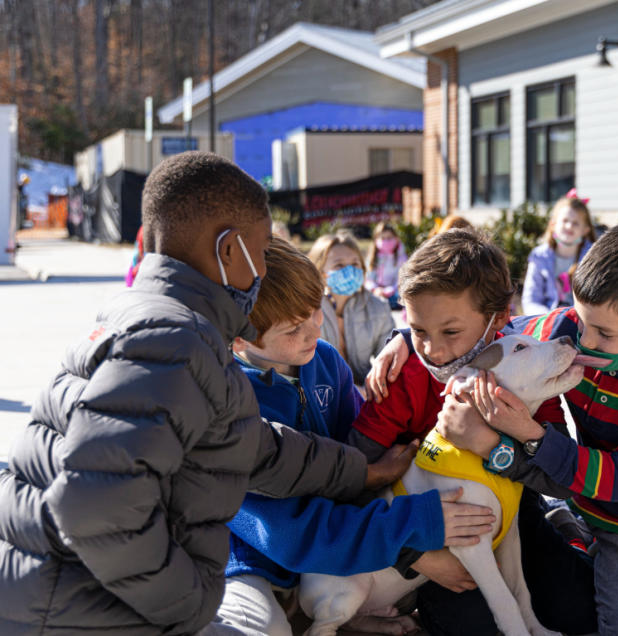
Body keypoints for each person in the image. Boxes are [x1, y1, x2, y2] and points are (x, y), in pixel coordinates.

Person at [0, 151, 413, 635]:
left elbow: (249, 447)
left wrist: (360, 470)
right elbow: (92, 509)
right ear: (229, 249)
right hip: (80, 610)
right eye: (261, 249)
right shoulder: (174, 342)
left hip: (57, 595)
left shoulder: (145, 315)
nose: (262, 269)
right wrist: (189, 605)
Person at [371, 222, 618, 634]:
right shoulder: (567, 331)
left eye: (604, 333)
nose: (584, 342)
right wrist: (406, 336)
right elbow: (496, 330)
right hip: (617, 523)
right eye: (581, 321)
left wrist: (518, 435)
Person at [217, 236, 495, 635]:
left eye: (316, 310)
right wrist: (410, 540)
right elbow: (289, 531)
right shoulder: (228, 403)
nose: (315, 328)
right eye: (294, 327)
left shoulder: (324, 359)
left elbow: (364, 463)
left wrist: (405, 338)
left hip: (340, 547)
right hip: (257, 560)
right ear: (240, 338)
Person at [352, 228, 598, 636]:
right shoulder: (399, 376)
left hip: (515, 518)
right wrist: (416, 555)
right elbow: (353, 479)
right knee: (471, 625)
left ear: (499, 318)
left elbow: (560, 477)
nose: (432, 350)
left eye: (450, 332)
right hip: (426, 536)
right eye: (417, 331)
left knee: (578, 611)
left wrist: (492, 445)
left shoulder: (527, 366)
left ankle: (567, 530)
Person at [308, 229, 395, 396]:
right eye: (339, 265)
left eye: (355, 264)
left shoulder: (378, 308)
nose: (349, 271)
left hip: (368, 396)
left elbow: (390, 361)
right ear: (320, 272)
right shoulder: (305, 310)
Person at [522, 188, 596, 315]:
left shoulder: (593, 257)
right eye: (565, 221)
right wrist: (549, 318)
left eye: (576, 223)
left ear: (586, 230)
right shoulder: (539, 257)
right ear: (553, 224)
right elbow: (531, 300)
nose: (569, 226)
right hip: (547, 320)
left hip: (581, 323)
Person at [367, 221, 407, 310]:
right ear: (376, 240)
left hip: (394, 291)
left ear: (396, 239)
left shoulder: (401, 257)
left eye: (389, 238)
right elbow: (368, 278)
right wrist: (375, 289)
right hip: (376, 291)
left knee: (400, 298)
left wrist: (391, 290)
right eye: (383, 238)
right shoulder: (373, 257)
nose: (386, 241)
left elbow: (402, 278)